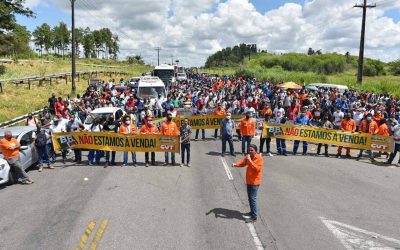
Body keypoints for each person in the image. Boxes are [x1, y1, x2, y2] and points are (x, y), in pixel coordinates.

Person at [231, 144, 264, 223]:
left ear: (256, 151)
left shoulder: (259, 158)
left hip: (255, 183)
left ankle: (254, 217)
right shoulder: (248, 156)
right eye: (249, 150)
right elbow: (243, 163)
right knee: (250, 198)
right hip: (248, 181)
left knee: (253, 199)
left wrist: (250, 161)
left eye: (252, 150)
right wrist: (236, 164)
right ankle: (252, 212)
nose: (250, 151)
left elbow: (258, 169)